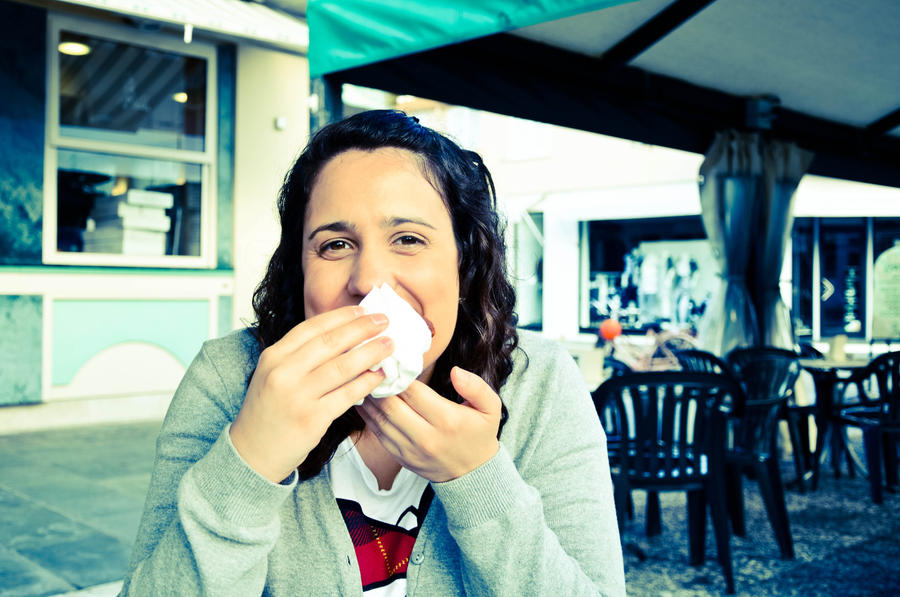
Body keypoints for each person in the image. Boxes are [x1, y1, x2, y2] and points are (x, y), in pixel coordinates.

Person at [121, 110, 625, 596]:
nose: (368, 281)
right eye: (335, 245)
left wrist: (478, 480)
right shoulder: (228, 378)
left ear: (464, 263)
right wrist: (250, 459)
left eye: (408, 239)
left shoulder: (541, 381)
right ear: (300, 270)